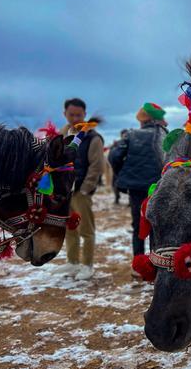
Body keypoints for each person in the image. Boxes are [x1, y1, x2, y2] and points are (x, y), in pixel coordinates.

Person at [109, 103, 168, 278]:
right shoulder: (165, 135)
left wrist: (122, 174)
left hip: (136, 188)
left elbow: (114, 156)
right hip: (160, 187)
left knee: (138, 226)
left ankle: (139, 265)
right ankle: (160, 264)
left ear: (143, 120)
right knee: (159, 226)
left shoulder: (131, 135)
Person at [55, 98, 104, 280]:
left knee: (86, 229)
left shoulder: (93, 137)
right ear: (65, 114)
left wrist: (85, 189)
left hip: (81, 192)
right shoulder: (62, 135)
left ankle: (87, 265)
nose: (75, 118)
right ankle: (72, 262)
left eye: (79, 114)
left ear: (85, 114)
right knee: (69, 227)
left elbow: (97, 166)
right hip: (64, 191)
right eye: (71, 114)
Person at [109, 129, 129, 204]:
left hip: (126, 168)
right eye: (123, 134)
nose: (124, 136)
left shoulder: (130, 142)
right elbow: (112, 155)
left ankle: (130, 201)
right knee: (115, 184)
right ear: (121, 135)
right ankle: (117, 198)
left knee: (129, 185)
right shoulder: (116, 143)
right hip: (118, 168)